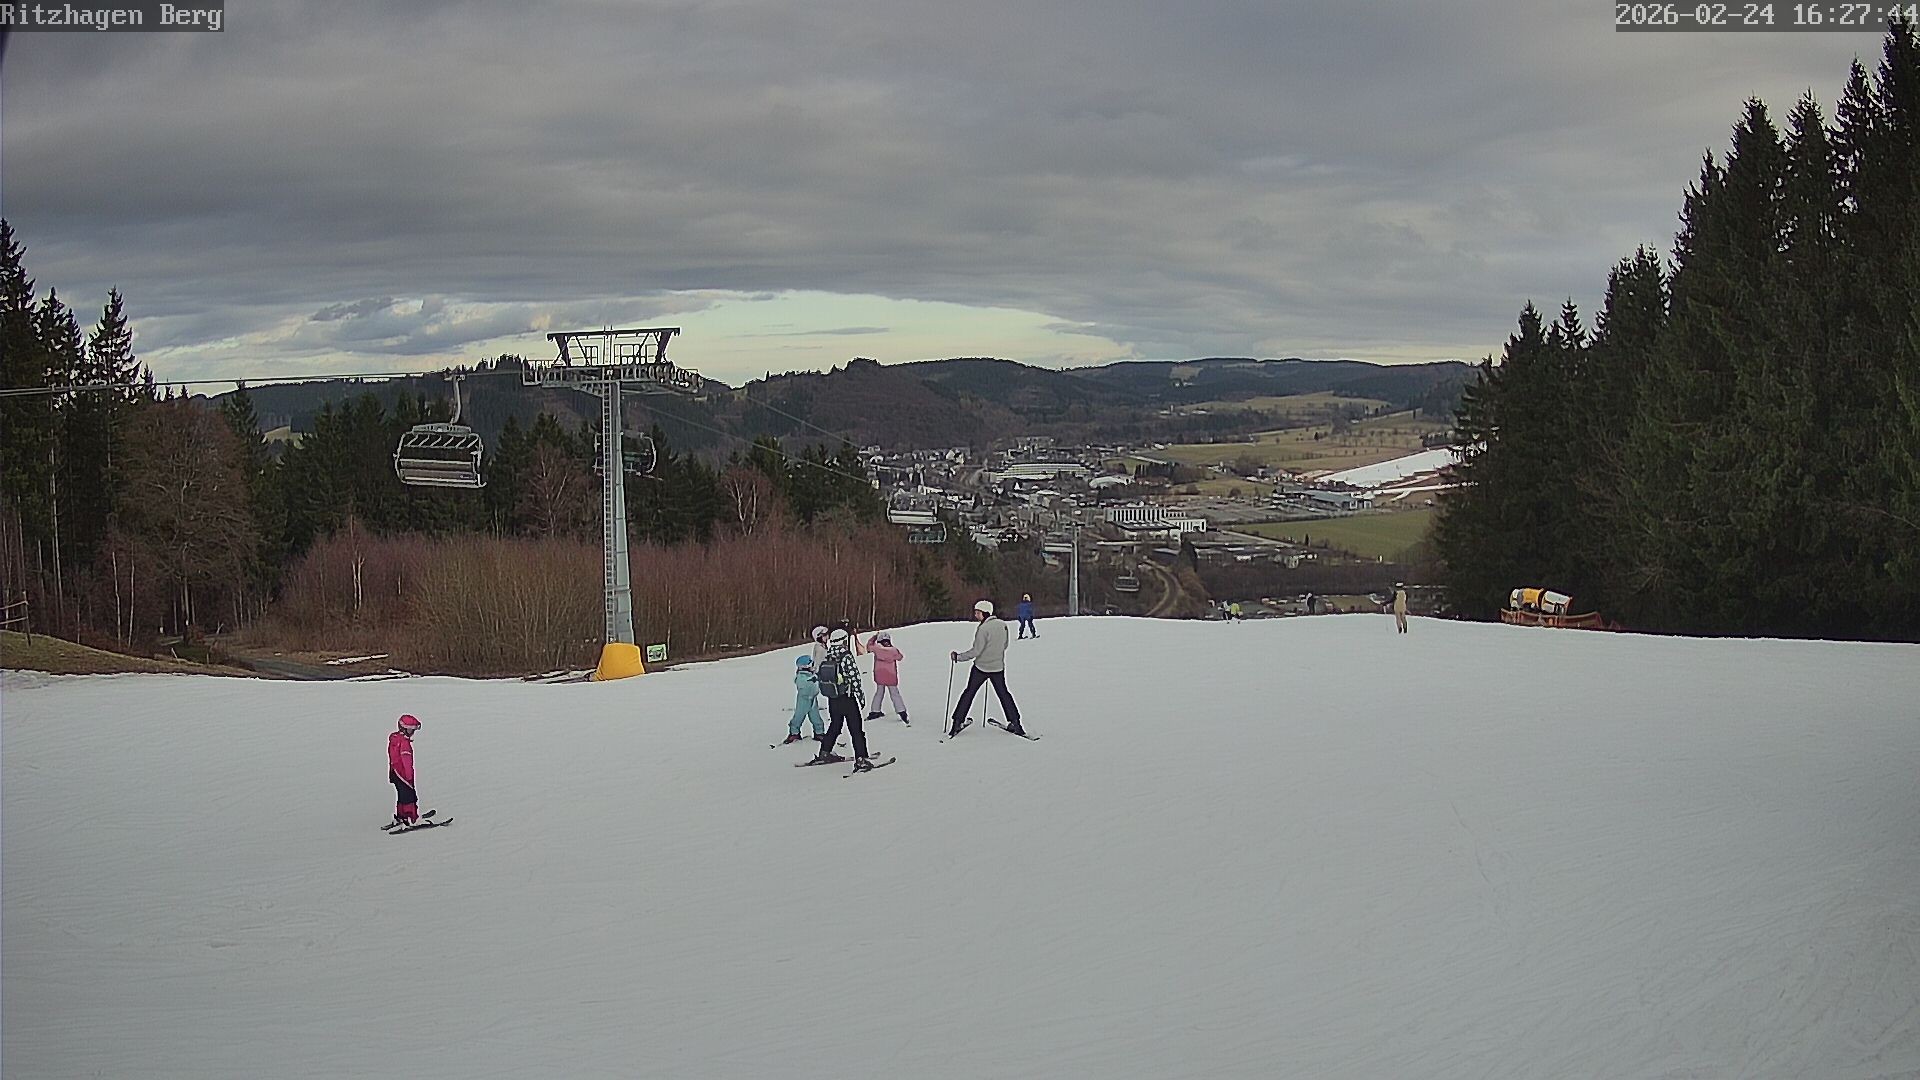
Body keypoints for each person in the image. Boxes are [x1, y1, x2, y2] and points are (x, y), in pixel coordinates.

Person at [949, 599, 1024, 737]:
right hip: (998, 668)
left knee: (969, 693)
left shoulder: (983, 629)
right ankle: (1016, 723)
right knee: (1004, 694)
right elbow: (1005, 645)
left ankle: (957, 722)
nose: (976, 615)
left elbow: (976, 651)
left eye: (978, 613)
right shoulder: (1003, 625)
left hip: (981, 668)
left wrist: (958, 657)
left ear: (985, 613)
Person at [808, 628, 877, 771]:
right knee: (856, 728)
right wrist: (861, 696)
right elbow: (854, 677)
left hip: (833, 698)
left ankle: (824, 752)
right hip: (847, 697)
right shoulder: (846, 656)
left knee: (835, 725)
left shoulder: (828, 655)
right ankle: (861, 758)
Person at [863, 631, 908, 723]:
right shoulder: (894, 651)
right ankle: (902, 711)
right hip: (891, 676)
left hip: (879, 674)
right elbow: (900, 657)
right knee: (895, 694)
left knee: (879, 692)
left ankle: (875, 711)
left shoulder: (876, 649)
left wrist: (874, 637)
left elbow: (868, 646)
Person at [387, 714, 422, 828]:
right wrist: (409, 776)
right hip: (403, 775)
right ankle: (410, 817)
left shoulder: (395, 739)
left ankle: (401, 815)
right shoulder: (404, 743)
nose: (412, 733)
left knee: (401, 795)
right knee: (409, 796)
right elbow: (406, 761)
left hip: (395, 773)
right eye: (411, 730)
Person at [785, 655, 826, 744]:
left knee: (816, 717)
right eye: (811, 664)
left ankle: (819, 732)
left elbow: (815, 688)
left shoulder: (812, 675)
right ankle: (794, 732)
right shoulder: (801, 677)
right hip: (803, 700)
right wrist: (813, 681)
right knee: (799, 716)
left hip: (813, 699)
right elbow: (805, 686)